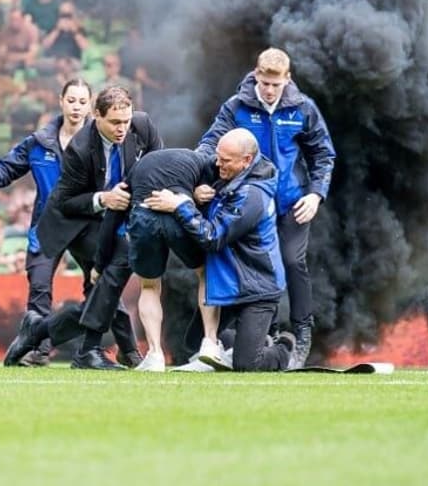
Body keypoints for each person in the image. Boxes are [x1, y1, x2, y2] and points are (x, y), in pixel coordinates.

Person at [196, 48, 335, 369]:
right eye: (264, 82)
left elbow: (323, 156)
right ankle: (267, 333)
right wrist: (197, 175)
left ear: (287, 79)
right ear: (256, 75)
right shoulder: (236, 107)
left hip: (291, 204)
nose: (269, 89)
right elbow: (210, 143)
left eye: (276, 84)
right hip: (250, 204)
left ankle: (301, 333)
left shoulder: (303, 108)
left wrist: (316, 194)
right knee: (254, 267)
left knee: (291, 261)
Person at [10, 86, 163, 370]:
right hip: (74, 222)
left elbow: (157, 163)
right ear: (97, 116)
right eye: (115, 123)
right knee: (113, 270)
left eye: (126, 121)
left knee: (104, 285)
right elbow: (66, 202)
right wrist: (103, 198)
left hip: (111, 218)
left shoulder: (142, 126)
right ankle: (96, 352)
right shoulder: (79, 149)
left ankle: (41, 332)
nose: (122, 128)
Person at [0, 79, 110, 366]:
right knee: (39, 288)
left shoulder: (102, 142)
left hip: (89, 224)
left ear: (91, 106)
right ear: (61, 101)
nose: (76, 107)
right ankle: (37, 351)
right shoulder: (40, 141)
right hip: (48, 225)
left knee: (103, 285)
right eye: (71, 100)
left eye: (83, 102)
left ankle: (100, 350)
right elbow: (7, 166)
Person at [142, 129, 295, 373]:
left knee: (247, 364)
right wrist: (196, 195)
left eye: (225, 160)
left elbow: (212, 237)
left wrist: (180, 205)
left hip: (257, 289)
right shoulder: (232, 177)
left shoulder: (252, 195)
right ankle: (249, 343)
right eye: (218, 157)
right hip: (228, 283)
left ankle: (284, 347)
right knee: (194, 345)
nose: (217, 164)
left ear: (246, 160)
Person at [117, 147, 224, 372]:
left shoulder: (138, 167)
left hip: (143, 215)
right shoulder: (204, 165)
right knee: (206, 272)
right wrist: (194, 196)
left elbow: (117, 208)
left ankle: (155, 354)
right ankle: (210, 344)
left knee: (149, 286)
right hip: (178, 214)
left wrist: (99, 262)